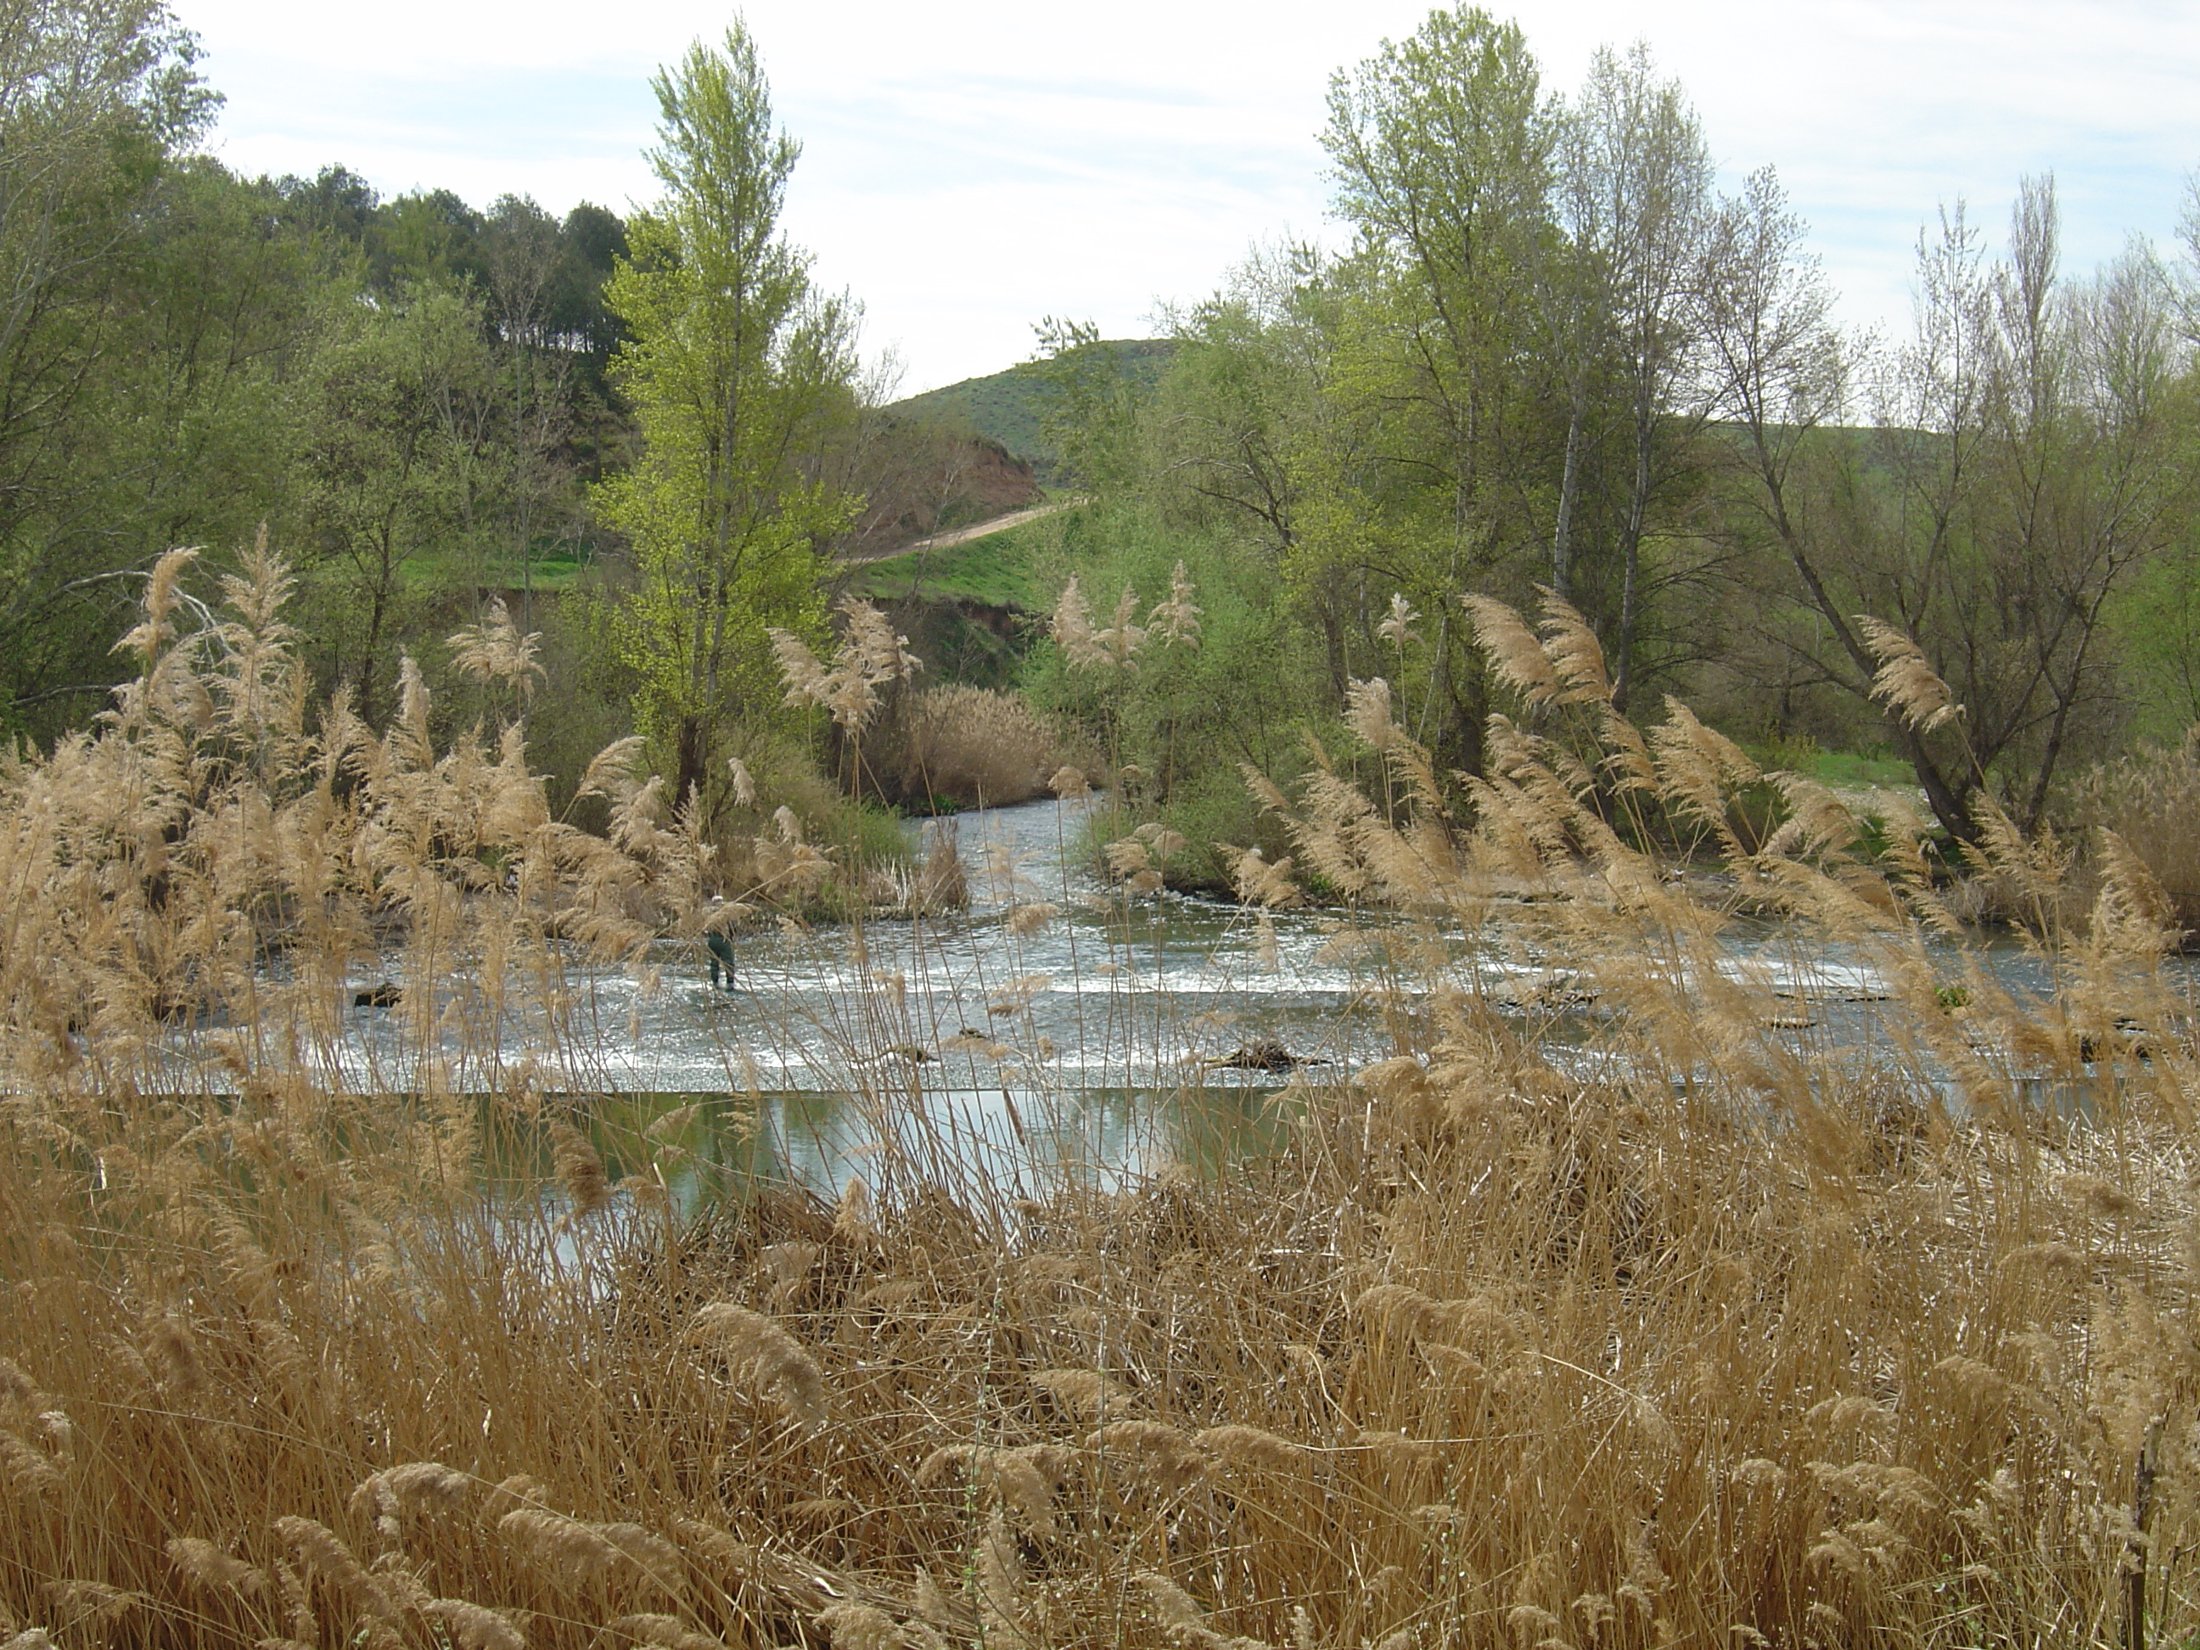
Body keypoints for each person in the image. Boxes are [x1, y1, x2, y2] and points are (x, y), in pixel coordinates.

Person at [704, 897, 738, 991]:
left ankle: (715, 983)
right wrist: (732, 937)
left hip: (712, 940)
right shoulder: (725, 913)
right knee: (728, 963)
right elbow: (732, 927)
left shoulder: (708, 914)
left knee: (714, 963)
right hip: (724, 940)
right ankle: (730, 984)